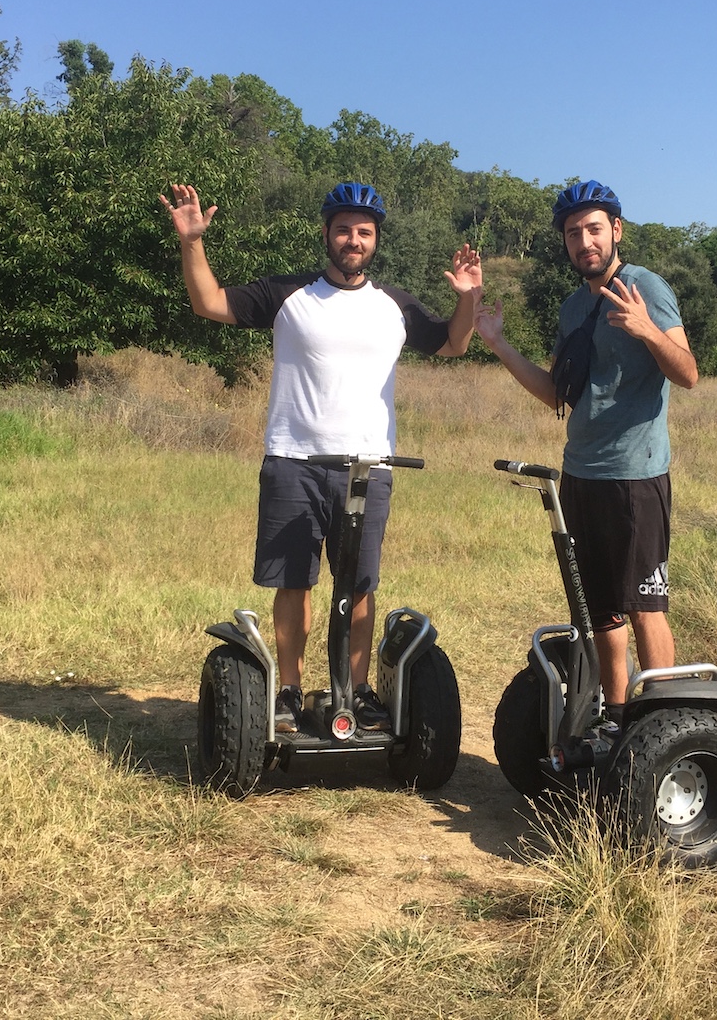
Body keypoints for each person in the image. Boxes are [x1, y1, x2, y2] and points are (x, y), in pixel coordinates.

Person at [163, 180, 482, 734]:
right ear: (327, 234)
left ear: (375, 240)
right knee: (295, 582)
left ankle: (356, 693)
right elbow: (207, 303)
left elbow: (454, 344)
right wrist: (193, 240)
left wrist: (468, 297)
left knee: (358, 586)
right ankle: (288, 691)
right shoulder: (290, 294)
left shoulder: (396, 305)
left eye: (363, 232)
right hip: (293, 460)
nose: (352, 240)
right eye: (343, 230)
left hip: (368, 468)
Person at [475, 180, 697, 726]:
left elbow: (688, 373)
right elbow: (557, 394)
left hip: (635, 477)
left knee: (645, 606)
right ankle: (618, 720)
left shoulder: (646, 286)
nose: (584, 241)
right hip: (581, 475)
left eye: (594, 229)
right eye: (574, 233)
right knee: (602, 611)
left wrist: (646, 328)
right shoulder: (574, 308)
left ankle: (661, 726)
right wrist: (499, 344)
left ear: (615, 231)